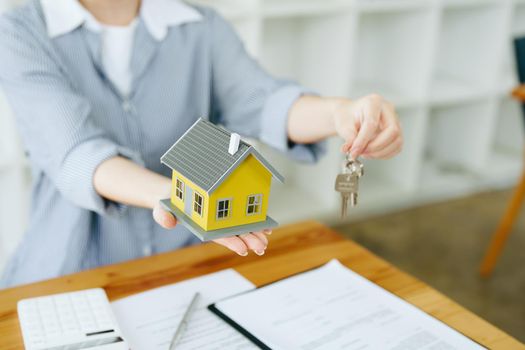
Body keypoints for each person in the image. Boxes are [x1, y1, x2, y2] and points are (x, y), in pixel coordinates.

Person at [0, 0, 403, 287]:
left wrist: (339, 113)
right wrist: (176, 195)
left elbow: (262, 100)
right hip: (72, 265)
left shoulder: (202, 26)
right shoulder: (20, 31)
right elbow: (75, 152)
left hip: (191, 259)